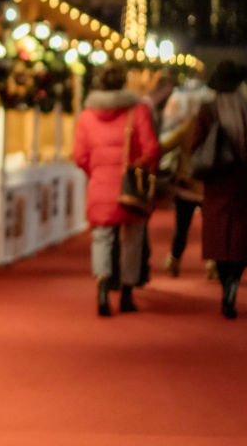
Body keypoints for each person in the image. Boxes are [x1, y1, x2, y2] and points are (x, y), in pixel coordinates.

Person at [73, 63, 159, 316]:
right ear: (123, 83)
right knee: (133, 239)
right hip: (129, 186)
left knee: (102, 238)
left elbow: (79, 155)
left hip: (100, 185)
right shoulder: (137, 110)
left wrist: (96, 172)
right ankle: (127, 294)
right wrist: (139, 167)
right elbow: (151, 149)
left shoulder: (87, 115)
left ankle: (102, 289)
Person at [189, 61, 247, 318]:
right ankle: (234, 283)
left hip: (216, 184)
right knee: (240, 239)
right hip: (244, 182)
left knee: (218, 240)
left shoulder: (208, 110)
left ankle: (225, 285)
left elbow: (195, 147)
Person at [159, 78, 214, 276]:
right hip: (209, 185)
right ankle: (213, 263)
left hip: (186, 184)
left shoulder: (188, 127)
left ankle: (174, 260)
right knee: (211, 227)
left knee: (182, 227)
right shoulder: (215, 127)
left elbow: (166, 145)